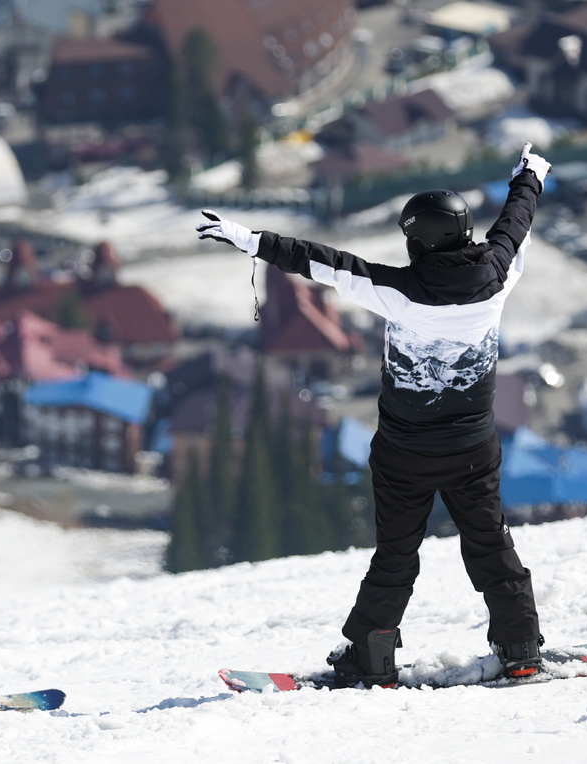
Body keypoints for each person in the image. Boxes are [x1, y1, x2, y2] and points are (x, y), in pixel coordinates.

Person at [196, 143, 552, 688]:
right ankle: (522, 647)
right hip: (473, 449)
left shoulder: (399, 292)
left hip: (405, 453)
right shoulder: (499, 272)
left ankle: (372, 658)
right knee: (490, 543)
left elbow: (321, 262)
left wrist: (248, 239)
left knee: (395, 555)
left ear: (417, 240)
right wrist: (530, 173)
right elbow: (516, 219)